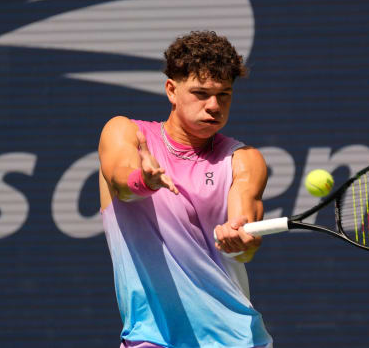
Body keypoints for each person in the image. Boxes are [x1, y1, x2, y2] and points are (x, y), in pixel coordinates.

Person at [98, 31, 273, 348]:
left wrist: (240, 239)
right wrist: (143, 180)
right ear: (171, 90)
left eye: (224, 95)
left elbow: (245, 233)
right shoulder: (125, 131)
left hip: (235, 339)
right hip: (149, 337)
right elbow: (120, 181)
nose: (213, 106)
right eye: (201, 93)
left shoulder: (244, 160)